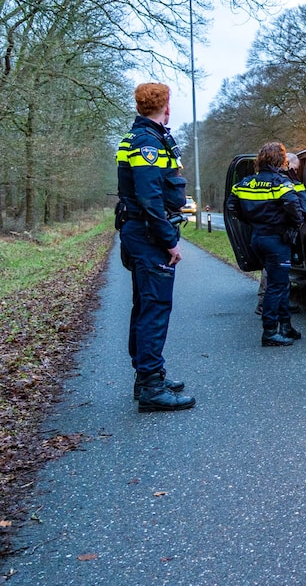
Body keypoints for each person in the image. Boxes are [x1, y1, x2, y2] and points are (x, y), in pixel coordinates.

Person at [114, 82, 195, 412]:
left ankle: (148, 375)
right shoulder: (148, 142)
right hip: (148, 233)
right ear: (166, 106)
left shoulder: (137, 136)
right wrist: (170, 241)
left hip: (139, 231)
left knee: (144, 305)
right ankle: (151, 386)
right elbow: (149, 198)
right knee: (155, 307)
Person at [228, 142, 306, 346]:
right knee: (276, 287)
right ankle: (269, 331)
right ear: (281, 161)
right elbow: (303, 209)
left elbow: (232, 206)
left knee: (280, 283)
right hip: (277, 240)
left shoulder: (245, 183)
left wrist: (252, 220)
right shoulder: (280, 183)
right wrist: (293, 222)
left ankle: (286, 326)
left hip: (257, 238)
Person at [256, 153, 304, 316]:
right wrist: (297, 221)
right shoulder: (281, 181)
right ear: (287, 164)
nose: (296, 172)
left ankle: (274, 306)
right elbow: (293, 204)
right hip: (275, 233)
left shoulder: (258, 181)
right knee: (273, 270)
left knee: (272, 269)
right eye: (295, 169)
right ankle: (267, 309)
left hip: (262, 233)